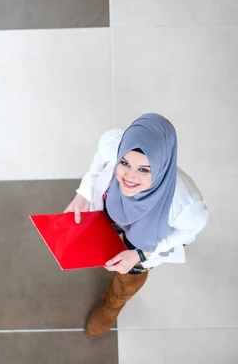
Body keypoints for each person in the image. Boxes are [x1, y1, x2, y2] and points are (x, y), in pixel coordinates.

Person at [63, 113, 208, 338]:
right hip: (109, 218)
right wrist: (83, 193)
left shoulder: (187, 206)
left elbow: (190, 231)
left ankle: (111, 307)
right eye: (125, 163)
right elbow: (97, 165)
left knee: (128, 281)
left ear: (161, 168)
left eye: (144, 169)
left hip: (143, 241)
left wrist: (142, 253)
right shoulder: (112, 143)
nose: (129, 177)